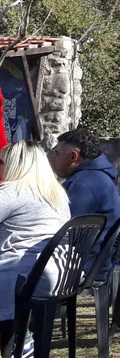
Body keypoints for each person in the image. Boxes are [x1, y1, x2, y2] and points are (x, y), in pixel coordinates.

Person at [0, 141, 71, 342]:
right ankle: (22, 339)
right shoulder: (57, 195)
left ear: (14, 164)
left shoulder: (11, 193)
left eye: (3, 162)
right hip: (60, 273)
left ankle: (17, 342)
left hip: (26, 276)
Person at [48, 129, 120, 235]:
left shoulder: (82, 184)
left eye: (57, 153)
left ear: (73, 156)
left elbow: (63, 229)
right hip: (103, 250)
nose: (52, 159)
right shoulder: (102, 176)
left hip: (87, 251)